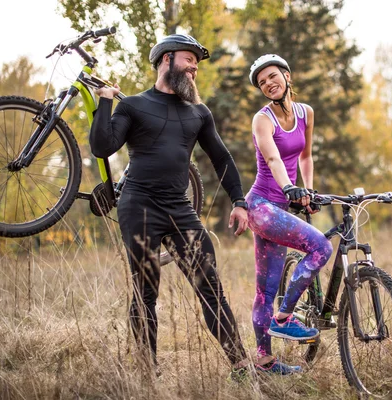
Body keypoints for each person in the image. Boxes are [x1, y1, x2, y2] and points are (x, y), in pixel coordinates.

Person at [89, 34, 250, 375]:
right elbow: (103, 146)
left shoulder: (199, 112)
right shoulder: (132, 104)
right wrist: (105, 102)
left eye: (197, 62)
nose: (194, 67)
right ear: (166, 59)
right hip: (138, 206)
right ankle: (148, 369)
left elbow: (221, 157)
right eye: (189, 58)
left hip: (180, 210)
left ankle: (240, 364)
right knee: (145, 291)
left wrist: (239, 201)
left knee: (210, 286)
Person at [245, 54, 333, 374]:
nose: (268, 83)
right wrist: (288, 188)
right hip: (261, 206)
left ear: (286, 75)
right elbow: (273, 159)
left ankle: (265, 363)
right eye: (261, 82)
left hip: (282, 204)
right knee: (321, 247)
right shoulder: (262, 119)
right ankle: (284, 318)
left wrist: (307, 190)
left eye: (272, 76)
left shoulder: (305, 113)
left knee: (266, 288)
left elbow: (306, 156)